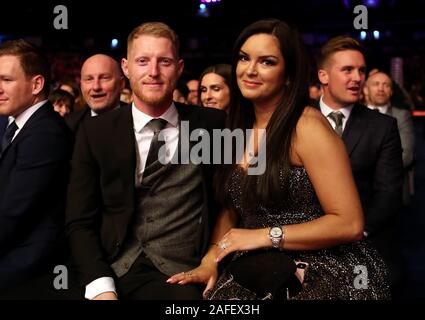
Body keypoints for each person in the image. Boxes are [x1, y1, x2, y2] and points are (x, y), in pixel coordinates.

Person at [167, 19, 390, 300]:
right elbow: (231, 207)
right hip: (256, 263)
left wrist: (262, 235)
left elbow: (350, 223)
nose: (250, 70)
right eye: (244, 58)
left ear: (288, 74)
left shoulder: (307, 126)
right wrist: (213, 256)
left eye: (267, 62)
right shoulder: (235, 127)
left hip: (324, 265)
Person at [65, 22, 225, 300]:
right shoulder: (95, 132)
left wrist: (213, 256)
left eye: (164, 61)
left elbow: (229, 204)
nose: (153, 72)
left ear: (178, 67)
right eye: (143, 61)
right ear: (126, 68)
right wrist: (101, 286)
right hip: (112, 269)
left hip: (180, 275)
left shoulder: (212, 126)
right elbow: (79, 221)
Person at [316, 36, 404, 295]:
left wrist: (351, 232)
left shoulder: (382, 126)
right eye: (347, 70)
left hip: (361, 245)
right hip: (300, 243)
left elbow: (388, 194)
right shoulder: (298, 119)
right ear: (323, 75)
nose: (357, 78)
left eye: (361, 70)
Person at [0, 39, 72, 291]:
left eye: (6, 80)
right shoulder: (11, 122)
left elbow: (12, 212)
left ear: (37, 85)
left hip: (27, 263)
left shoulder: (46, 134)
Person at [364, 71, 415, 206]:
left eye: (386, 85)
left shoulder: (401, 116)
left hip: (393, 195)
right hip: (358, 196)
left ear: (391, 91)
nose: (381, 88)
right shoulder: (354, 114)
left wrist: (363, 166)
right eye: (376, 84)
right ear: (365, 90)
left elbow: (406, 156)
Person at [65, 54, 125, 133]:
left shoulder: (137, 119)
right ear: (81, 85)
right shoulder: (68, 126)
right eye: (89, 79)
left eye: (104, 78)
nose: (96, 87)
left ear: (121, 84)